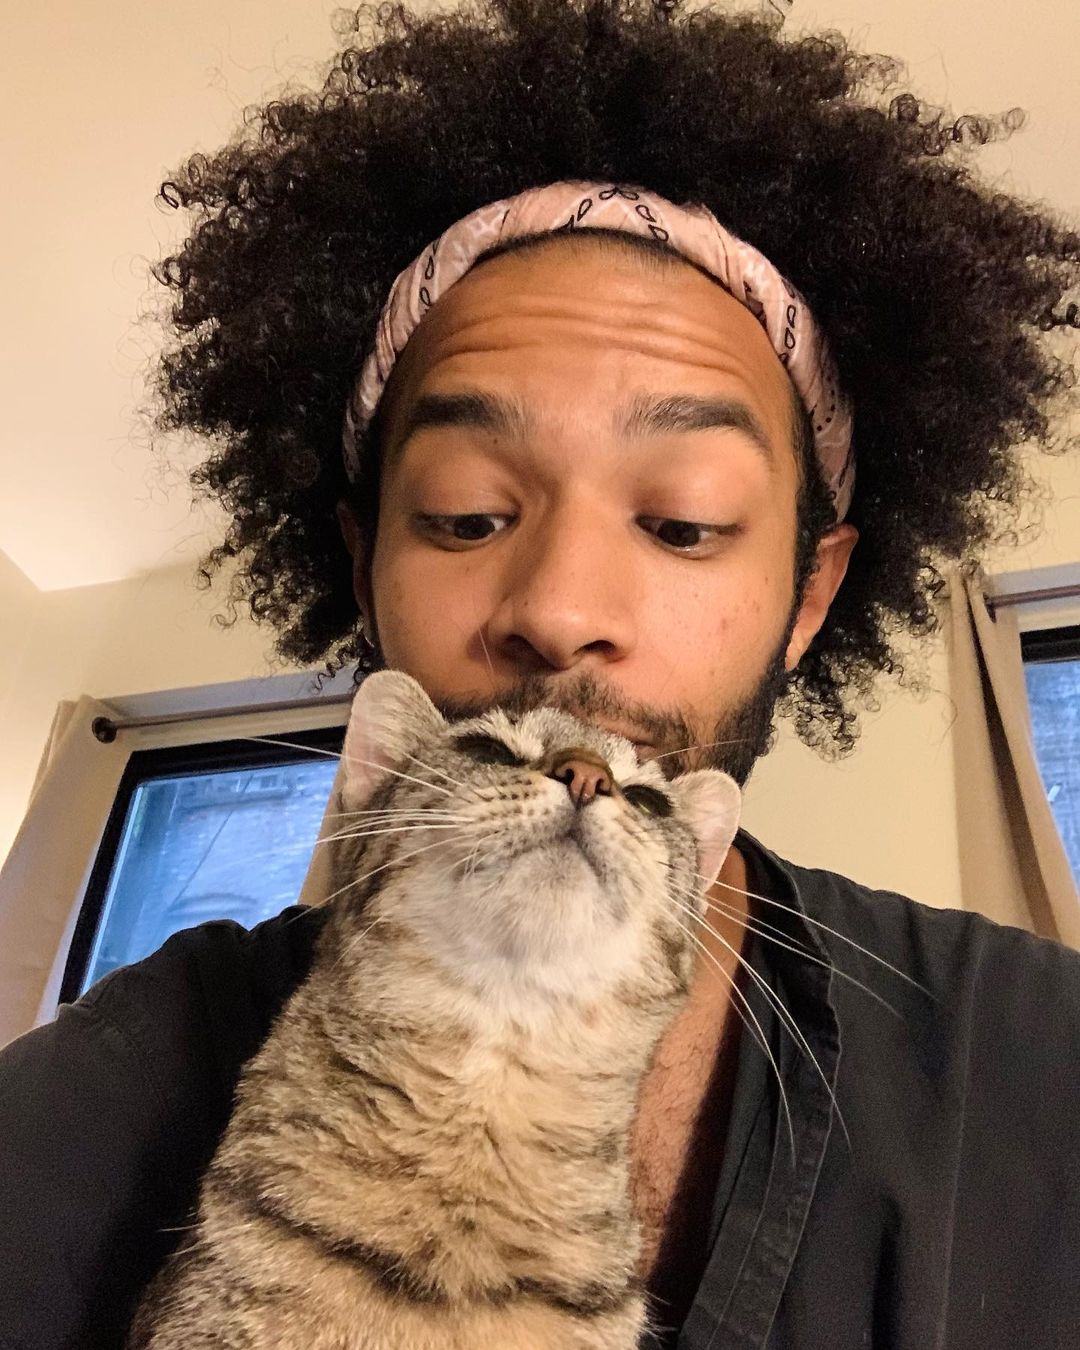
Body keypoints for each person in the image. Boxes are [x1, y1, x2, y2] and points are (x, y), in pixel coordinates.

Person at [2, 2, 1079, 1347]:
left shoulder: (1041, 1065)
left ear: (809, 595)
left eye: (681, 520)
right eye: (464, 514)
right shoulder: (78, 1112)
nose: (561, 611)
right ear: (365, 564)